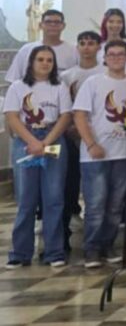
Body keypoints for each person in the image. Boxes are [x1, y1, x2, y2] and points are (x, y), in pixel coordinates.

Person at [4, 45, 73, 268]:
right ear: (31, 62)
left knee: (53, 198)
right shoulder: (18, 87)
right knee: (26, 199)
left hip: (52, 139)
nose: (45, 63)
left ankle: (54, 252)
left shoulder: (59, 86)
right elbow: (13, 117)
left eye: (49, 60)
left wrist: (46, 141)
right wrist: (33, 141)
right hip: (26, 140)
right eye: (41, 59)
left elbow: (65, 117)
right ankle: (20, 253)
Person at [72, 40, 126, 268]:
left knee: (116, 205)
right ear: (105, 58)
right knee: (96, 204)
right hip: (95, 155)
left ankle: (108, 244)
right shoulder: (93, 83)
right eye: (112, 54)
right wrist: (91, 143)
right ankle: (92, 248)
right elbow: (80, 115)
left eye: (121, 54)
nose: (116, 58)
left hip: (122, 154)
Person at [60, 31, 104, 251]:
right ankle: (67, 225)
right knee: (69, 181)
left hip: (97, 134)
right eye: (83, 43)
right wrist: (71, 127)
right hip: (70, 134)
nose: (87, 47)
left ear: (99, 47)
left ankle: (99, 236)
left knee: (97, 188)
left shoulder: (104, 73)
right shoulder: (67, 75)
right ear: (77, 48)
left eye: (91, 43)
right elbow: (64, 104)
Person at [6, 9, 78, 82]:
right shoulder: (26, 50)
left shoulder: (74, 50)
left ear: (63, 26)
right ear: (40, 25)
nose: (52, 25)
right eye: (48, 22)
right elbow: (13, 79)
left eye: (57, 22)